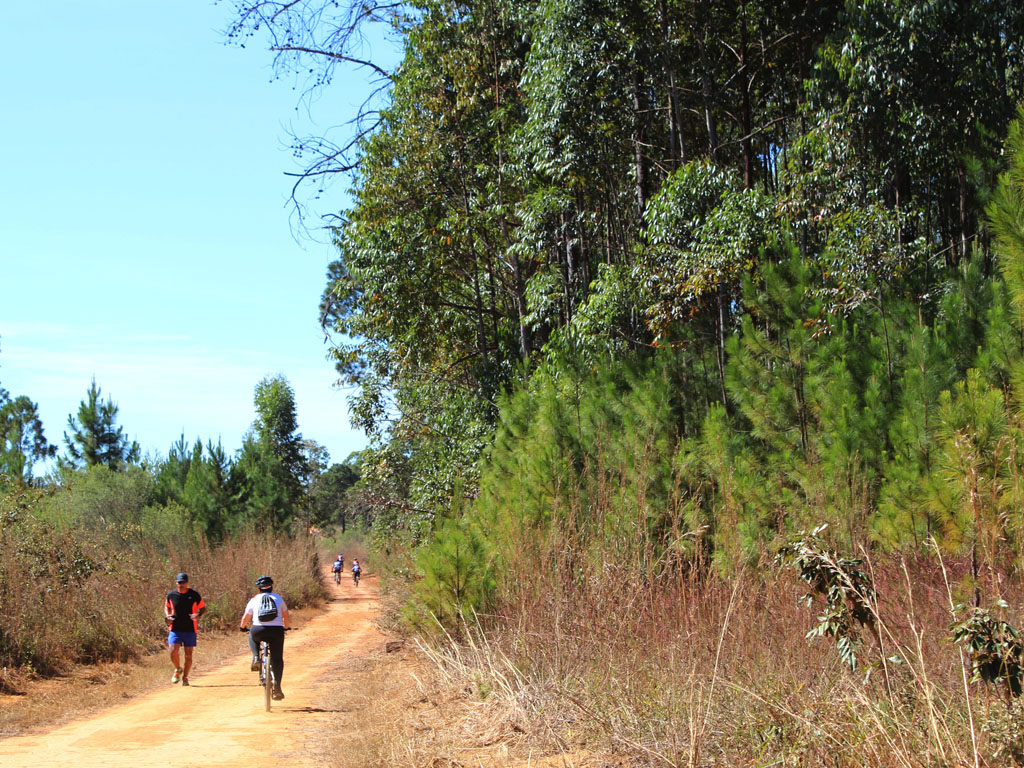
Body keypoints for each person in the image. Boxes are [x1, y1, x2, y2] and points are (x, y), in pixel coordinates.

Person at [239, 575, 290, 700]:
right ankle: (277, 687)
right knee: (277, 659)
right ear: (272, 588)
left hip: (258, 629)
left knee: (252, 635)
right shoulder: (278, 598)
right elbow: (286, 616)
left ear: (259, 589)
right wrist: (286, 627)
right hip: (276, 631)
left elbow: (246, 617)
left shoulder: (254, 599)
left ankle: (256, 657)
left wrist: (242, 627)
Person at [165, 572, 206, 686]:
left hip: (190, 629)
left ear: (187, 583)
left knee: (188, 655)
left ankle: (185, 678)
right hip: (175, 628)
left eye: (183, 582)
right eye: (179, 582)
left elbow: (203, 608)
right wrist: (168, 617)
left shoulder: (194, 595)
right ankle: (178, 669)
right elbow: (167, 607)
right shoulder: (171, 595)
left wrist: (198, 615)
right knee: (173, 651)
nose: (181, 585)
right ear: (176, 583)